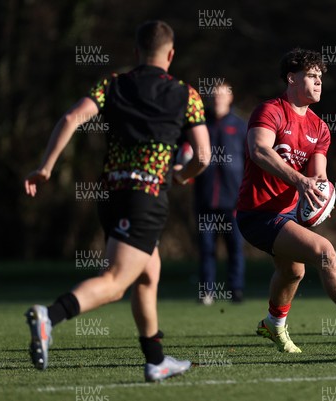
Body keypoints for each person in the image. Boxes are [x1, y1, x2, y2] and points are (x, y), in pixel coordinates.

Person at [23, 20, 210, 381]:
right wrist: (182, 176)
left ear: (137, 52)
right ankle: (50, 316)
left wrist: (45, 167)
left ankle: (155, 359)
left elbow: (71, 117)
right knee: (115, 282)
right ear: (171, 54)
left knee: (147, 273)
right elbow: (203, 155)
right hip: (146, 197)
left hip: (109, 195)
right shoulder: (186, 94)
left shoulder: (113, 82)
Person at [235, 48, 336, 354]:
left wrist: (321, 190)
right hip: (257, 213)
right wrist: (300, 182)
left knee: (293, 272)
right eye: (311, 76)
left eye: (320, 77)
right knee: (325, 252)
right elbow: (259, 151)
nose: (318, 82)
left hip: (287, 215)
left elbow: (318, 175)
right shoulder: (271, 111)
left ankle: (273, 324)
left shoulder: (320, 129)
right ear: (291, 78)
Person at [194, 83, 247, 305]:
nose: (217, 100)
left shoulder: (240, 126)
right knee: (206, 249)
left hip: (233, 200)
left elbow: (249, 160)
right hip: (204, 199)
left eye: (221, 96)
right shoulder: (200, 124)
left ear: (230, 98)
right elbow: (185, 152)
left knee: (235, 248)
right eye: (214, 96)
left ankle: (236, 290)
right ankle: (207, 291)